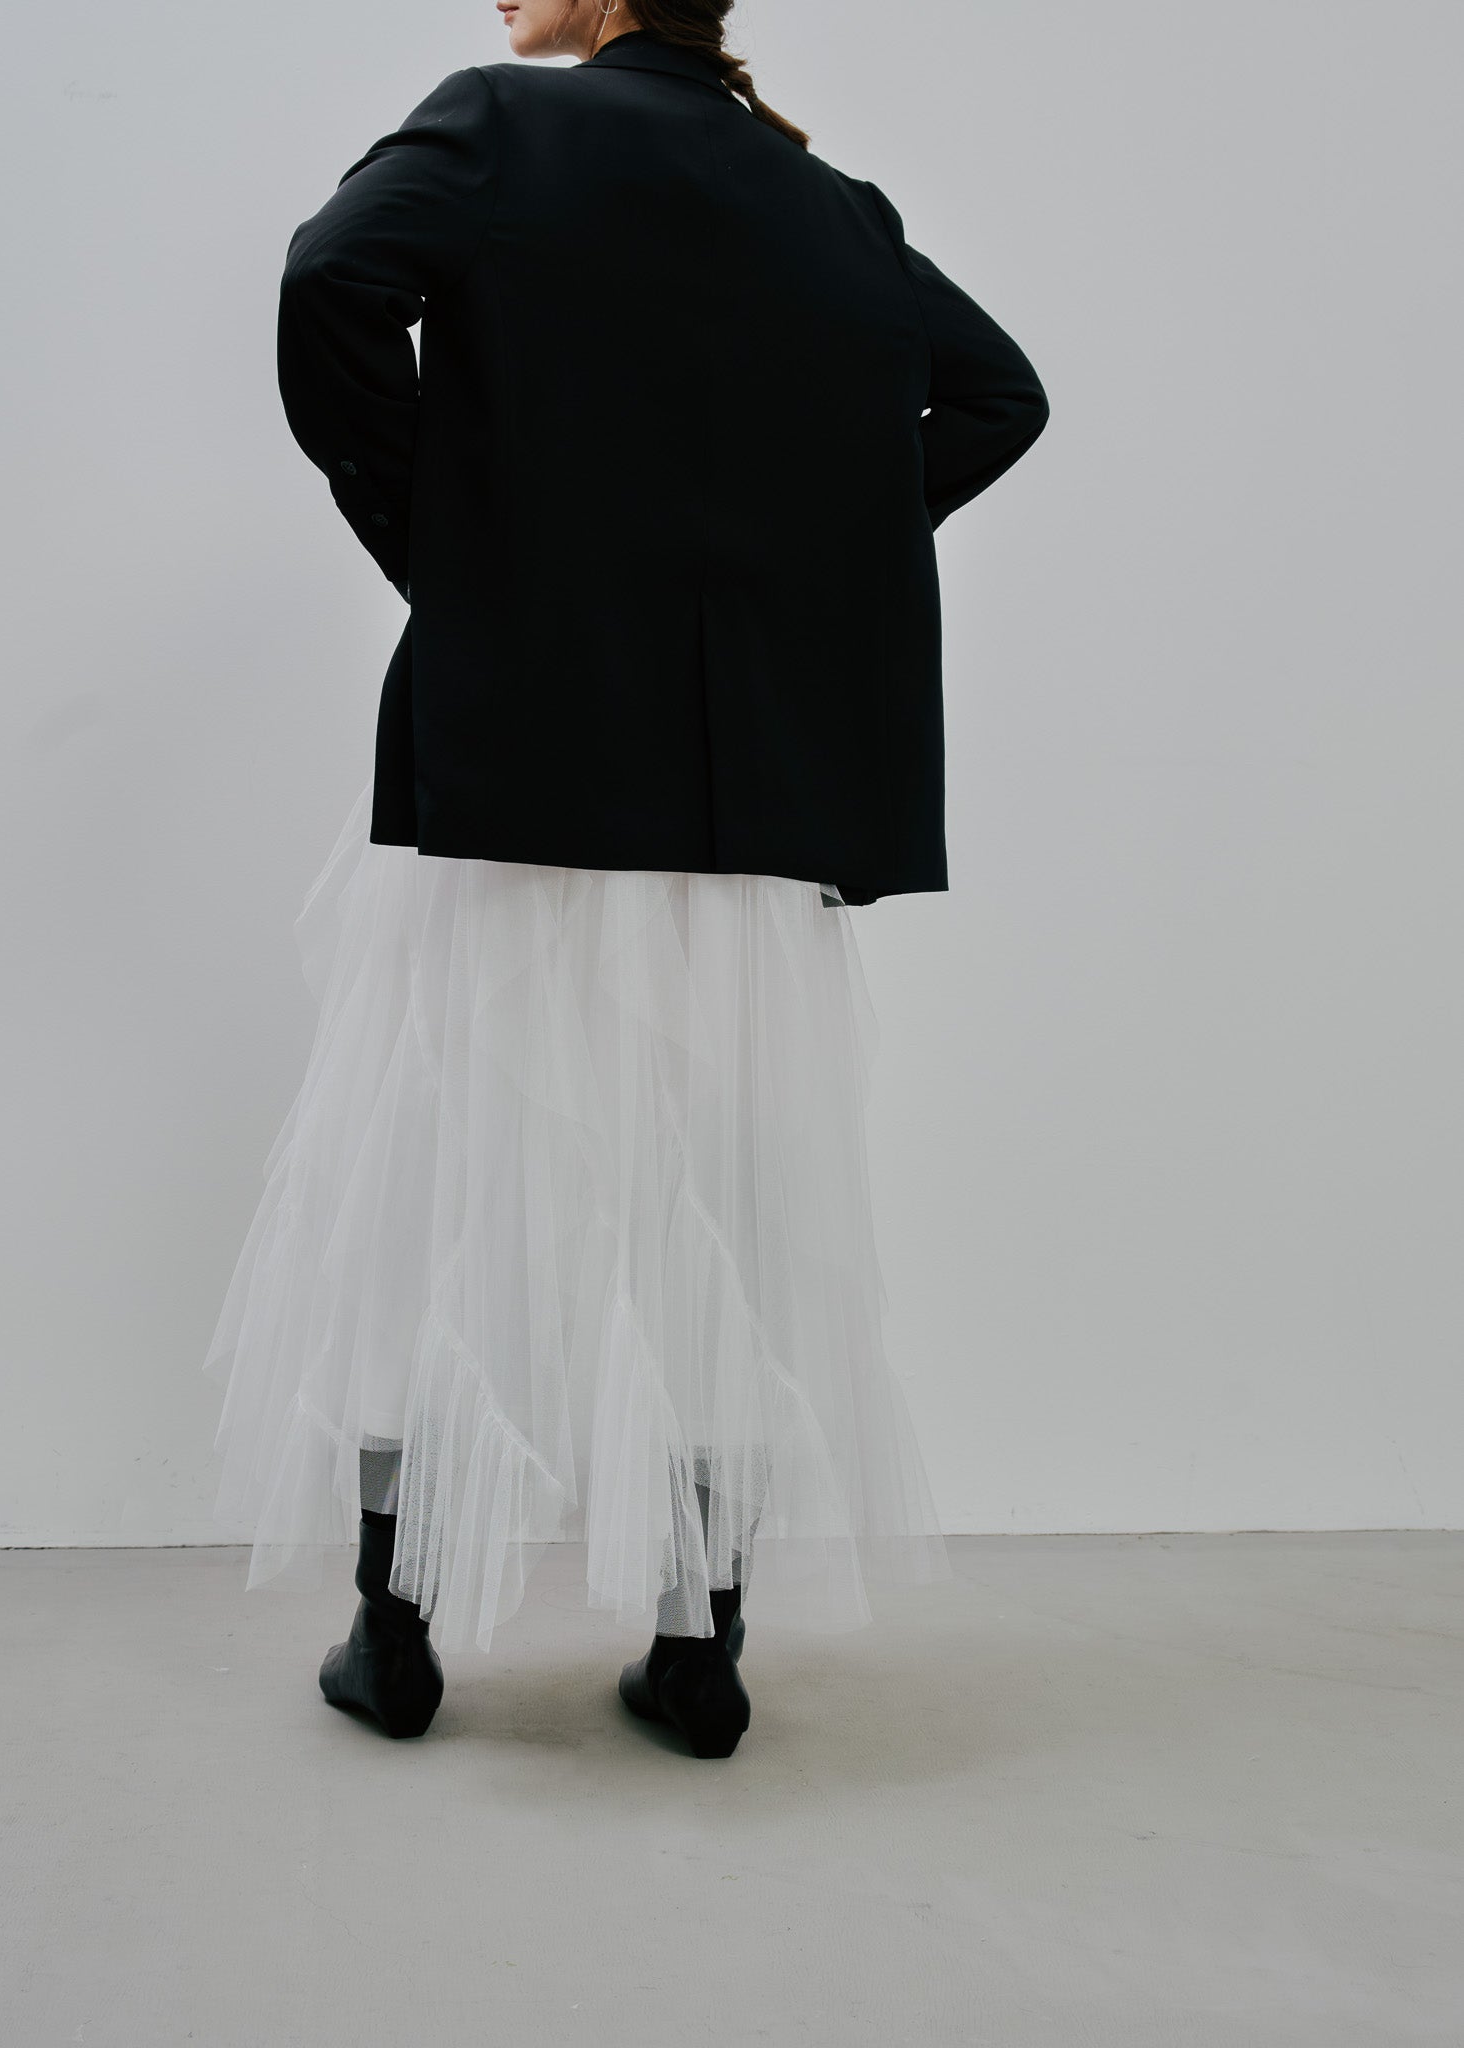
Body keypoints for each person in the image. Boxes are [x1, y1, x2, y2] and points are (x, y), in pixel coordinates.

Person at [204, 0, 1048, 1759]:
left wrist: (457, 538)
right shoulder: (826, 208)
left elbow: (328, 278)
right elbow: (997, 396)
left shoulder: (498, 126)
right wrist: (807, 557)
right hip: (740, 822)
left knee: (441, 1185)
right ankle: (698, 1650)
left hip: (516, 774)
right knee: (714, 1208)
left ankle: (397, 1631)